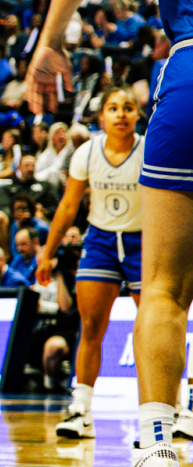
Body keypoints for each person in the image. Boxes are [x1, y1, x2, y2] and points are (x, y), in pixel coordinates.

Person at [25, 0, 193, 467]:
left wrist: (50, 44)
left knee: (164, 288)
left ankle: (156, 447)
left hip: (189, 76)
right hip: (102, 230)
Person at [36, 86, 180, 440]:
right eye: (113, 108)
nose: (120, 114)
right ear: (101, 116)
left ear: (137, 115)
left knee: (157, 324)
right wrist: (48, 252)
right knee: (91, 327)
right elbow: (68, 206)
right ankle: (81, 410)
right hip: (100, 240)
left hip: (144, 240)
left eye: (127, 108)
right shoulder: (87, 152)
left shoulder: (149, 148)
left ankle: (174, 410)